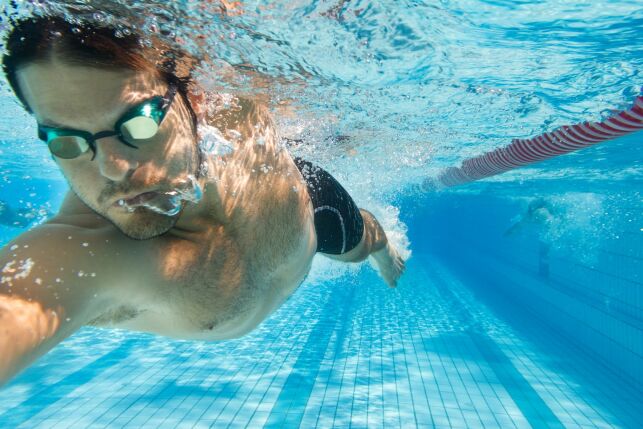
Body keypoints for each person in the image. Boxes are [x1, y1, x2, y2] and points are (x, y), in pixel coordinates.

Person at [0, 15, 405, 386]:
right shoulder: (86, 253)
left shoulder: (231, 91)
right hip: (289, 227)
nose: (113, 169)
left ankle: (385, 253)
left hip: (312, 205)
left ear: (197, 98)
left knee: (366, 244)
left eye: (137, 124)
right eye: (66, 141)